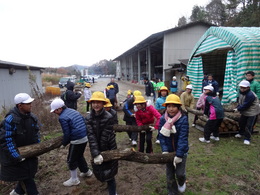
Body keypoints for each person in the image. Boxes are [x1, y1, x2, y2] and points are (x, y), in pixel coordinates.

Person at [0, 93, 40, 195]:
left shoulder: (32, 118)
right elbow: (6, 140)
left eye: (30, 103)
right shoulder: (10, 120)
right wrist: (16, 156)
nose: (31, 105)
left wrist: (37, 148)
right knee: (27, 180)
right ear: (20, 105)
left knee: (27, 176)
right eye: (28, 103)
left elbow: (36, 134)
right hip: (16, 157)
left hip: (29, 154)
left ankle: (17, 192)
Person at [50, 98, 92, 187]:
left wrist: (64, 143)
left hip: (77, 139)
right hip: (84, 137)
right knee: (79, 155)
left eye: (55, 111)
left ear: (59, 109)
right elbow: (84, 121)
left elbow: (67, 133)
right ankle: (86, 171)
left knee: (71, 159)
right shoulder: (72, 110)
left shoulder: (62, 117)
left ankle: (74, 179)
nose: (54, 113)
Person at [85, 91, 118, 195]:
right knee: (100, 170)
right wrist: (95, 153)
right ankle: (105, 182)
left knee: (110, 172)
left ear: (103, 103)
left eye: (98, 102)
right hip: (96, 148)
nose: (96, 104)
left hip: (108, 147)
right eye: (93, 102)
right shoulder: (88, 118)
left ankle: (113, 192)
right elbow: (91, 136)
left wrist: (101, 153)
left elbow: (105, 137)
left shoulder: (108, 117)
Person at [158, 94, 189, 194]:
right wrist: (165, 150)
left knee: (180, 173)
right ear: (166, 107)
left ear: (178, 107)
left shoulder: (183, 119)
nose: (171, 109)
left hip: (181, 151)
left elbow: (183, 138)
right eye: (169, 106)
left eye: (174, 106)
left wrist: (179, 154)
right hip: (169, 152)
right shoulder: (163, 119)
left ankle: (181, 182)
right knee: (169, 174)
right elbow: (161, 136)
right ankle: (172, 192)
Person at [234, 80, 260, 145]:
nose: (242, 89)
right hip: (245, 111)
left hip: (252, 112)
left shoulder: (250, 95)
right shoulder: (241, 93)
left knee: (249, 125)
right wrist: (238, 106)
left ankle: (247, 138)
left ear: (248, 87)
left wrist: (237, 109)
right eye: (241, 87)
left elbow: (246, 105)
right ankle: (241, 133)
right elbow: (240, 102)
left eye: (244, 88)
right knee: (241, 122)